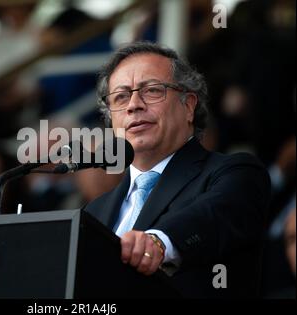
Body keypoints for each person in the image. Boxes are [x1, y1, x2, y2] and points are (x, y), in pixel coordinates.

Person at [84, 41, 271, 298]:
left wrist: (159, 242)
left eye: (151, 91)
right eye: (121, 96)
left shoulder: (235, 173)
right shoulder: (94, 211)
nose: (133, 105)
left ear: (188, 105)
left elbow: (211, 216)